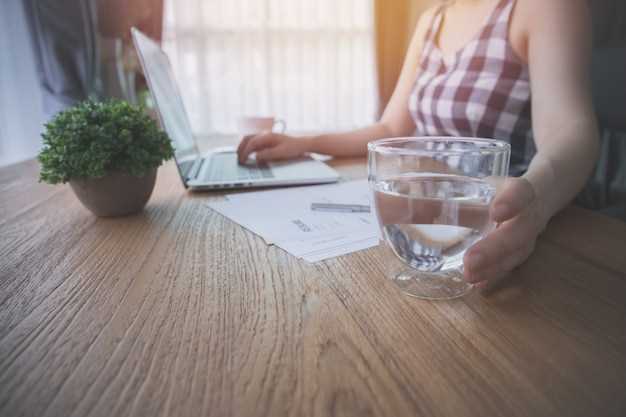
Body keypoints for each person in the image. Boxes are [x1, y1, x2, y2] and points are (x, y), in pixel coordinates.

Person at [237, 0, 600, 288]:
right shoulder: (432, 20)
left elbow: (570, 129)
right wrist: (305, 143)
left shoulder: (543, 6)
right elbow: (391, 126)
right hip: (420, 216)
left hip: (496, 224)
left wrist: (533, 206)